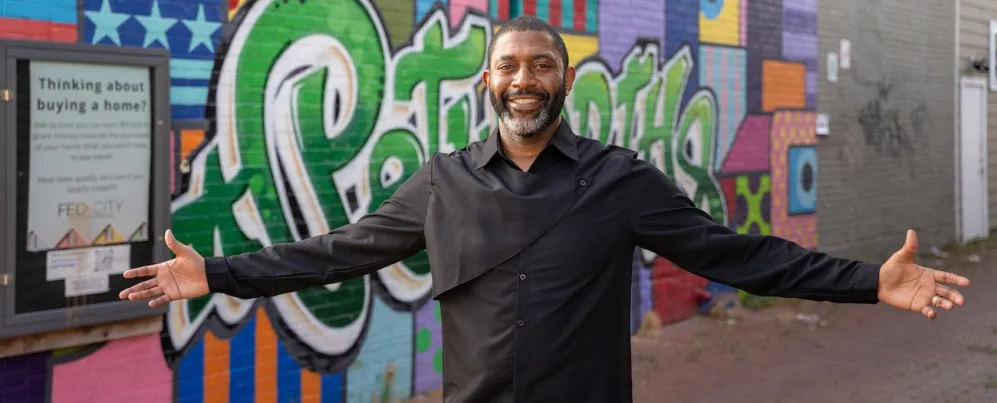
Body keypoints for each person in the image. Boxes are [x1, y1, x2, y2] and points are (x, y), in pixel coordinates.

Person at [119, 16, 970, 403]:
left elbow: (737, 253)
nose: (523, 79)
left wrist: (869, 282)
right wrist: (215, 272)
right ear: (485, 79)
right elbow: (340, 252)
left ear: (563, 79)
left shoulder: (620, 179)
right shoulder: (441, 183)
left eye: (541, 66)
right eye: (508, 66)